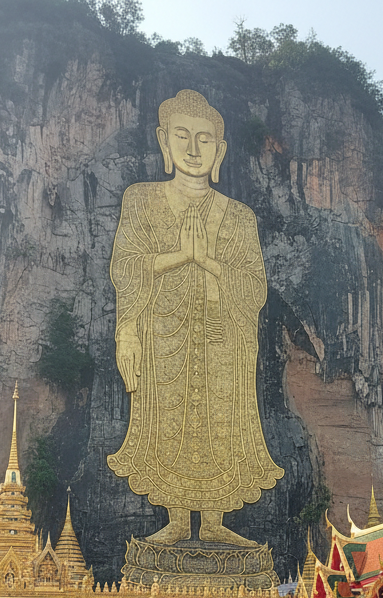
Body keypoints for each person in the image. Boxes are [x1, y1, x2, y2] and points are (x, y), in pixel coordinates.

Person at [107, 88, 284, 546]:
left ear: (219, 150)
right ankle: (176, 519)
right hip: (161, 334)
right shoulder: (141, 199)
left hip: (223, 340)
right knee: (167, 420)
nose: (192, 149)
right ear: (164, 142)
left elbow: (254, 287)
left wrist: (206, 262)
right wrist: (177, 257)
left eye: (204, 139)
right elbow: (126, 267)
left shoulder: (239, 217)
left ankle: (214, 522)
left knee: (221, 421)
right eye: (182, 137)